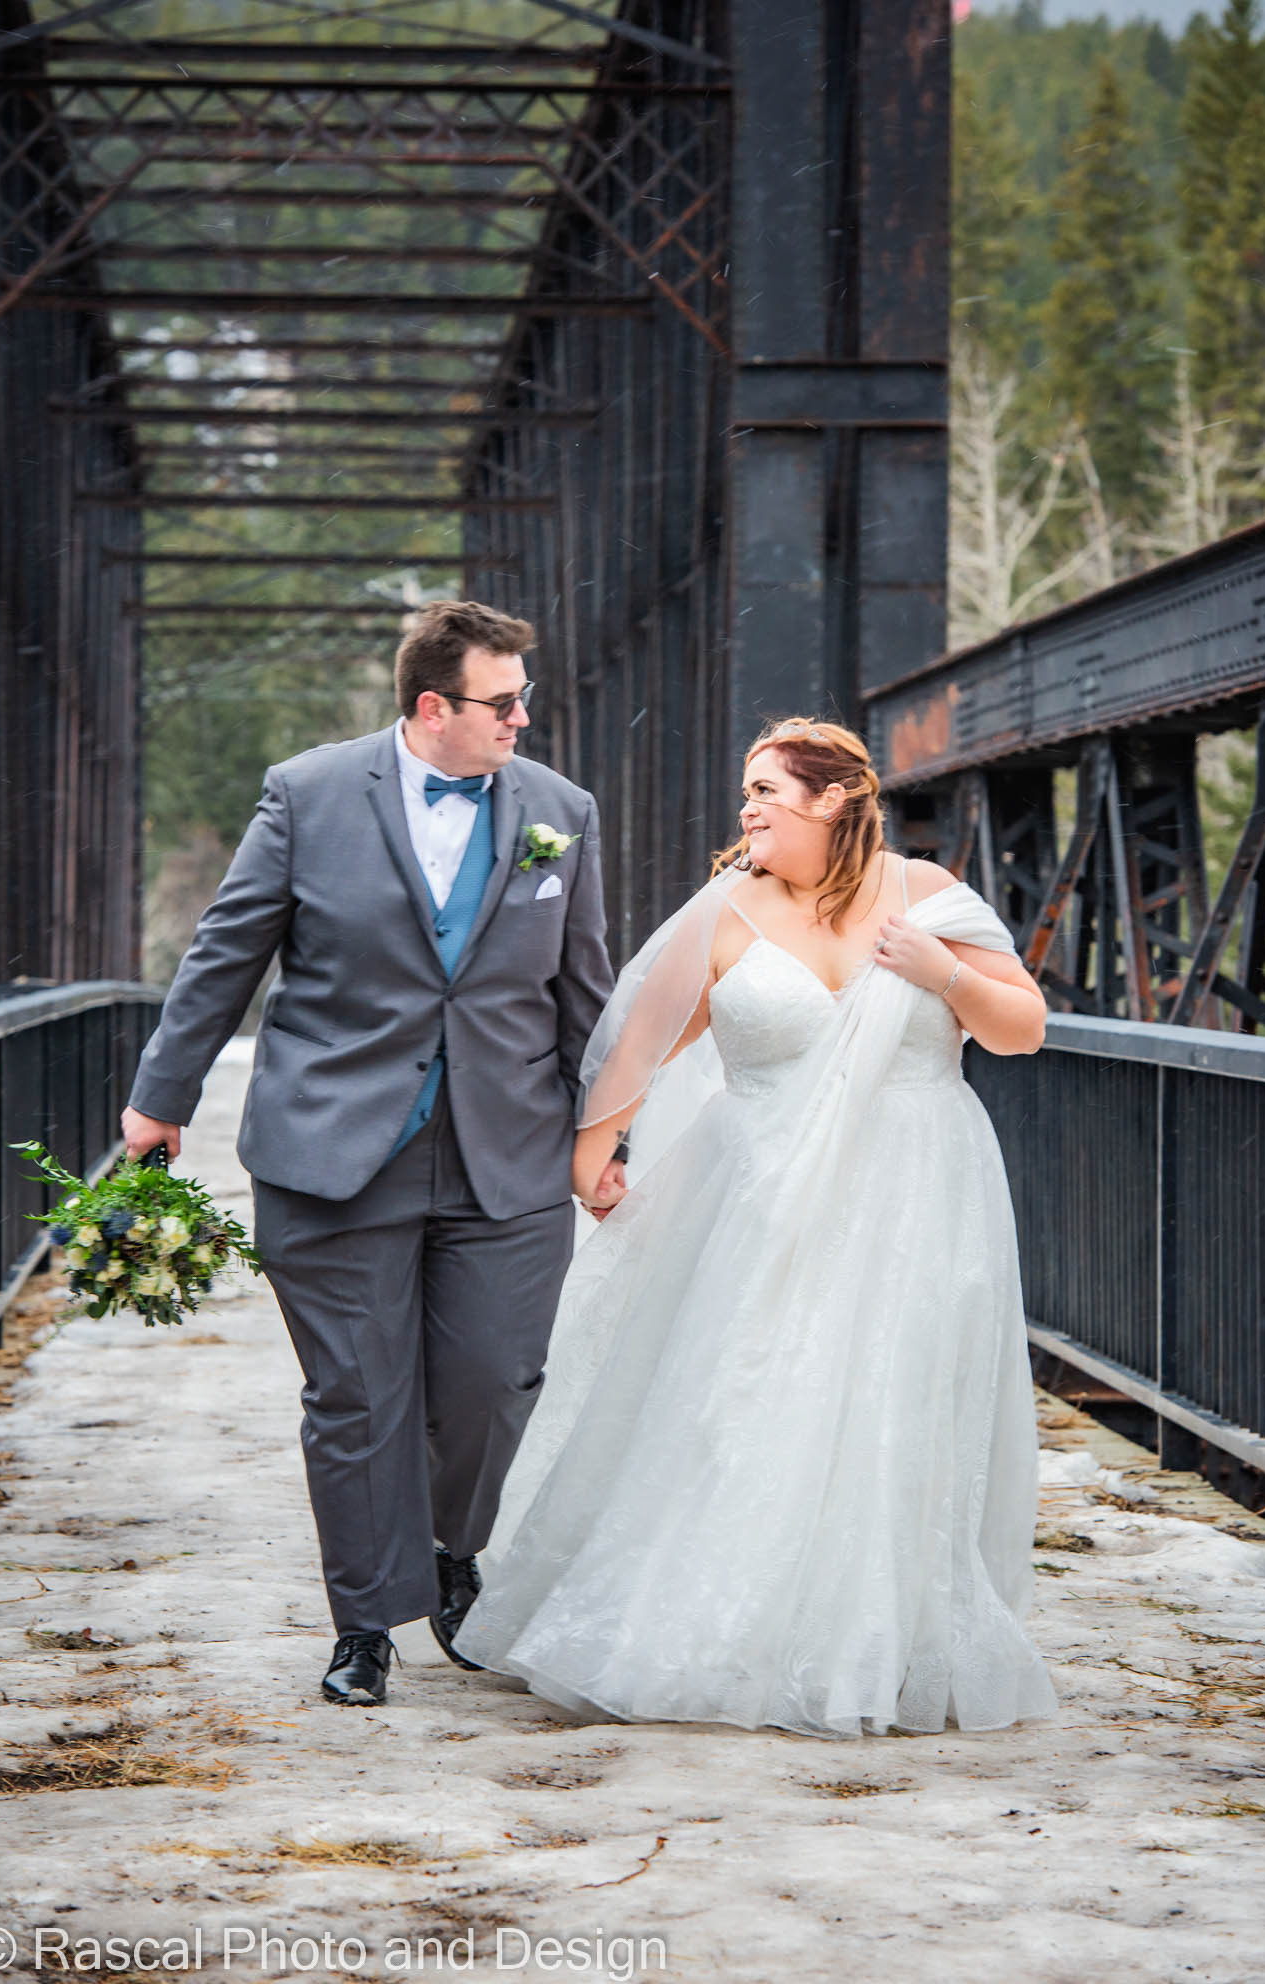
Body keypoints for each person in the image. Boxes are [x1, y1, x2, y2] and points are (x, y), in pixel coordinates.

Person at [454, 718, 1058, 1737]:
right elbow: (640, 1045)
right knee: (750, 1391)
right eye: (748, 790)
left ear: (833, 799)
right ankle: (722, 1628)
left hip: (918, 1192)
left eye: (767, 789)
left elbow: (1023, 1029)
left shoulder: (927, 896)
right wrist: (592, 1153)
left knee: (892, 1400)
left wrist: (942, 973)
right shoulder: (727, 909)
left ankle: (874, 1642)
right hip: (757, 1196)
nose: (747, 808)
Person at [121, 600, 614, 1706]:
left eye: (524, 698)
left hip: (507, 1148)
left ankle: (450, 1548)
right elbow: (227, 951)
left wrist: (609, 1134)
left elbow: (584, 984)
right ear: (433, 706)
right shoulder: (308, 793)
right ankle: (365, 1622)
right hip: (333, 1144)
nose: (522, 719)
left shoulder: (561, 811)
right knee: (355, 1393)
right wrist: (160, 1096)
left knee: (494, 1379)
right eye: (502, 701)